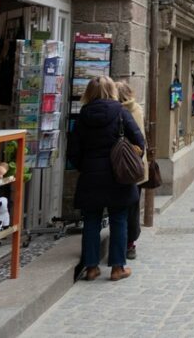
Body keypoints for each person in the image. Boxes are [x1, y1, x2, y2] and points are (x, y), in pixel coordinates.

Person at [68, 76, 145, 282]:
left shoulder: (83, 115)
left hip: (91, 176)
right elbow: (139, 141)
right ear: (112, 90)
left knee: (91, 220)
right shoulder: (120, 112)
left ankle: (91, 267)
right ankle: (117, 268)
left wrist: (86, 166)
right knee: (118, 219)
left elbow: (73, 150)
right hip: (117, 176)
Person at [115, 81, 148, 262]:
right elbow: (141, 139)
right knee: (133, 206)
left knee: (120, 208)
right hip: (135, 166)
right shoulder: (137, 109)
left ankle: (123, 243)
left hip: (119, 164)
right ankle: (130, 243)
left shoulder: (118, 111)